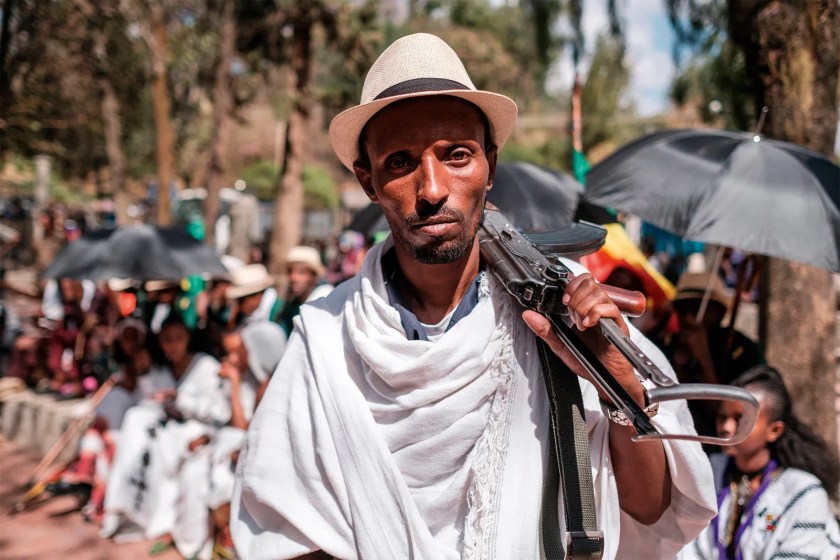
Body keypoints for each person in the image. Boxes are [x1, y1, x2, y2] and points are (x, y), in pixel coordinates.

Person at [232, 33, 716, 559]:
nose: (433, 187)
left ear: (490, 163)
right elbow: (283, 532)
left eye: (456, 155)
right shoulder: (325, 342)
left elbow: (648, 508)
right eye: (400, 162)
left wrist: (619, 385)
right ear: (367, 182)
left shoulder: (564, 309)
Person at [681, 366, 840, 559]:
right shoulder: (707, 472)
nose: (726, 427)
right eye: (722, 417)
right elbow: (683, 544)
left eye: (740, 419)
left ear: (774, 430)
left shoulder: (804, 493)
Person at [100, 316, 225, 547]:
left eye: (178, 339)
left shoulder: (206, 366)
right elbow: (148, 400)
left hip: (197, 435)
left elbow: (218, 413)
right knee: (136, 420)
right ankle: (123, 509)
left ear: (188, 338)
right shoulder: (162, 367)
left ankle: (159, 520)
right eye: (167, 340)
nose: (173, 346)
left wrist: (180, 398)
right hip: (167, 434)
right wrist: (145, 371)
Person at [172, 322, 287, 560]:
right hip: (238, 447)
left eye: (244, 348)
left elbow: (244, 426)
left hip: (259, 459)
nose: (239, 354)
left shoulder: (274, 385)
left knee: (221, 479)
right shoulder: (255, 380)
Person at [657, 271, 765, 440]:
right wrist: (678, 370)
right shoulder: (666, 344)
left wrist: (704, 358)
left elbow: (724, 414)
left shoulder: (742, 350)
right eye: (682, 310)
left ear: (719, 312)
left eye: (697, 307)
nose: (689, 318)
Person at [276, 245, 333, 336]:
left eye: (301, 272)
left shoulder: (324, 302)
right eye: (290, 272)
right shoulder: (290, 306)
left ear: (314, 277)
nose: (293, 278)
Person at [225, 264, 280, 328]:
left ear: (257, 295)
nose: (238, 305)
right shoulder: (243, 316)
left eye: (241, 300)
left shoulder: (279, 313)